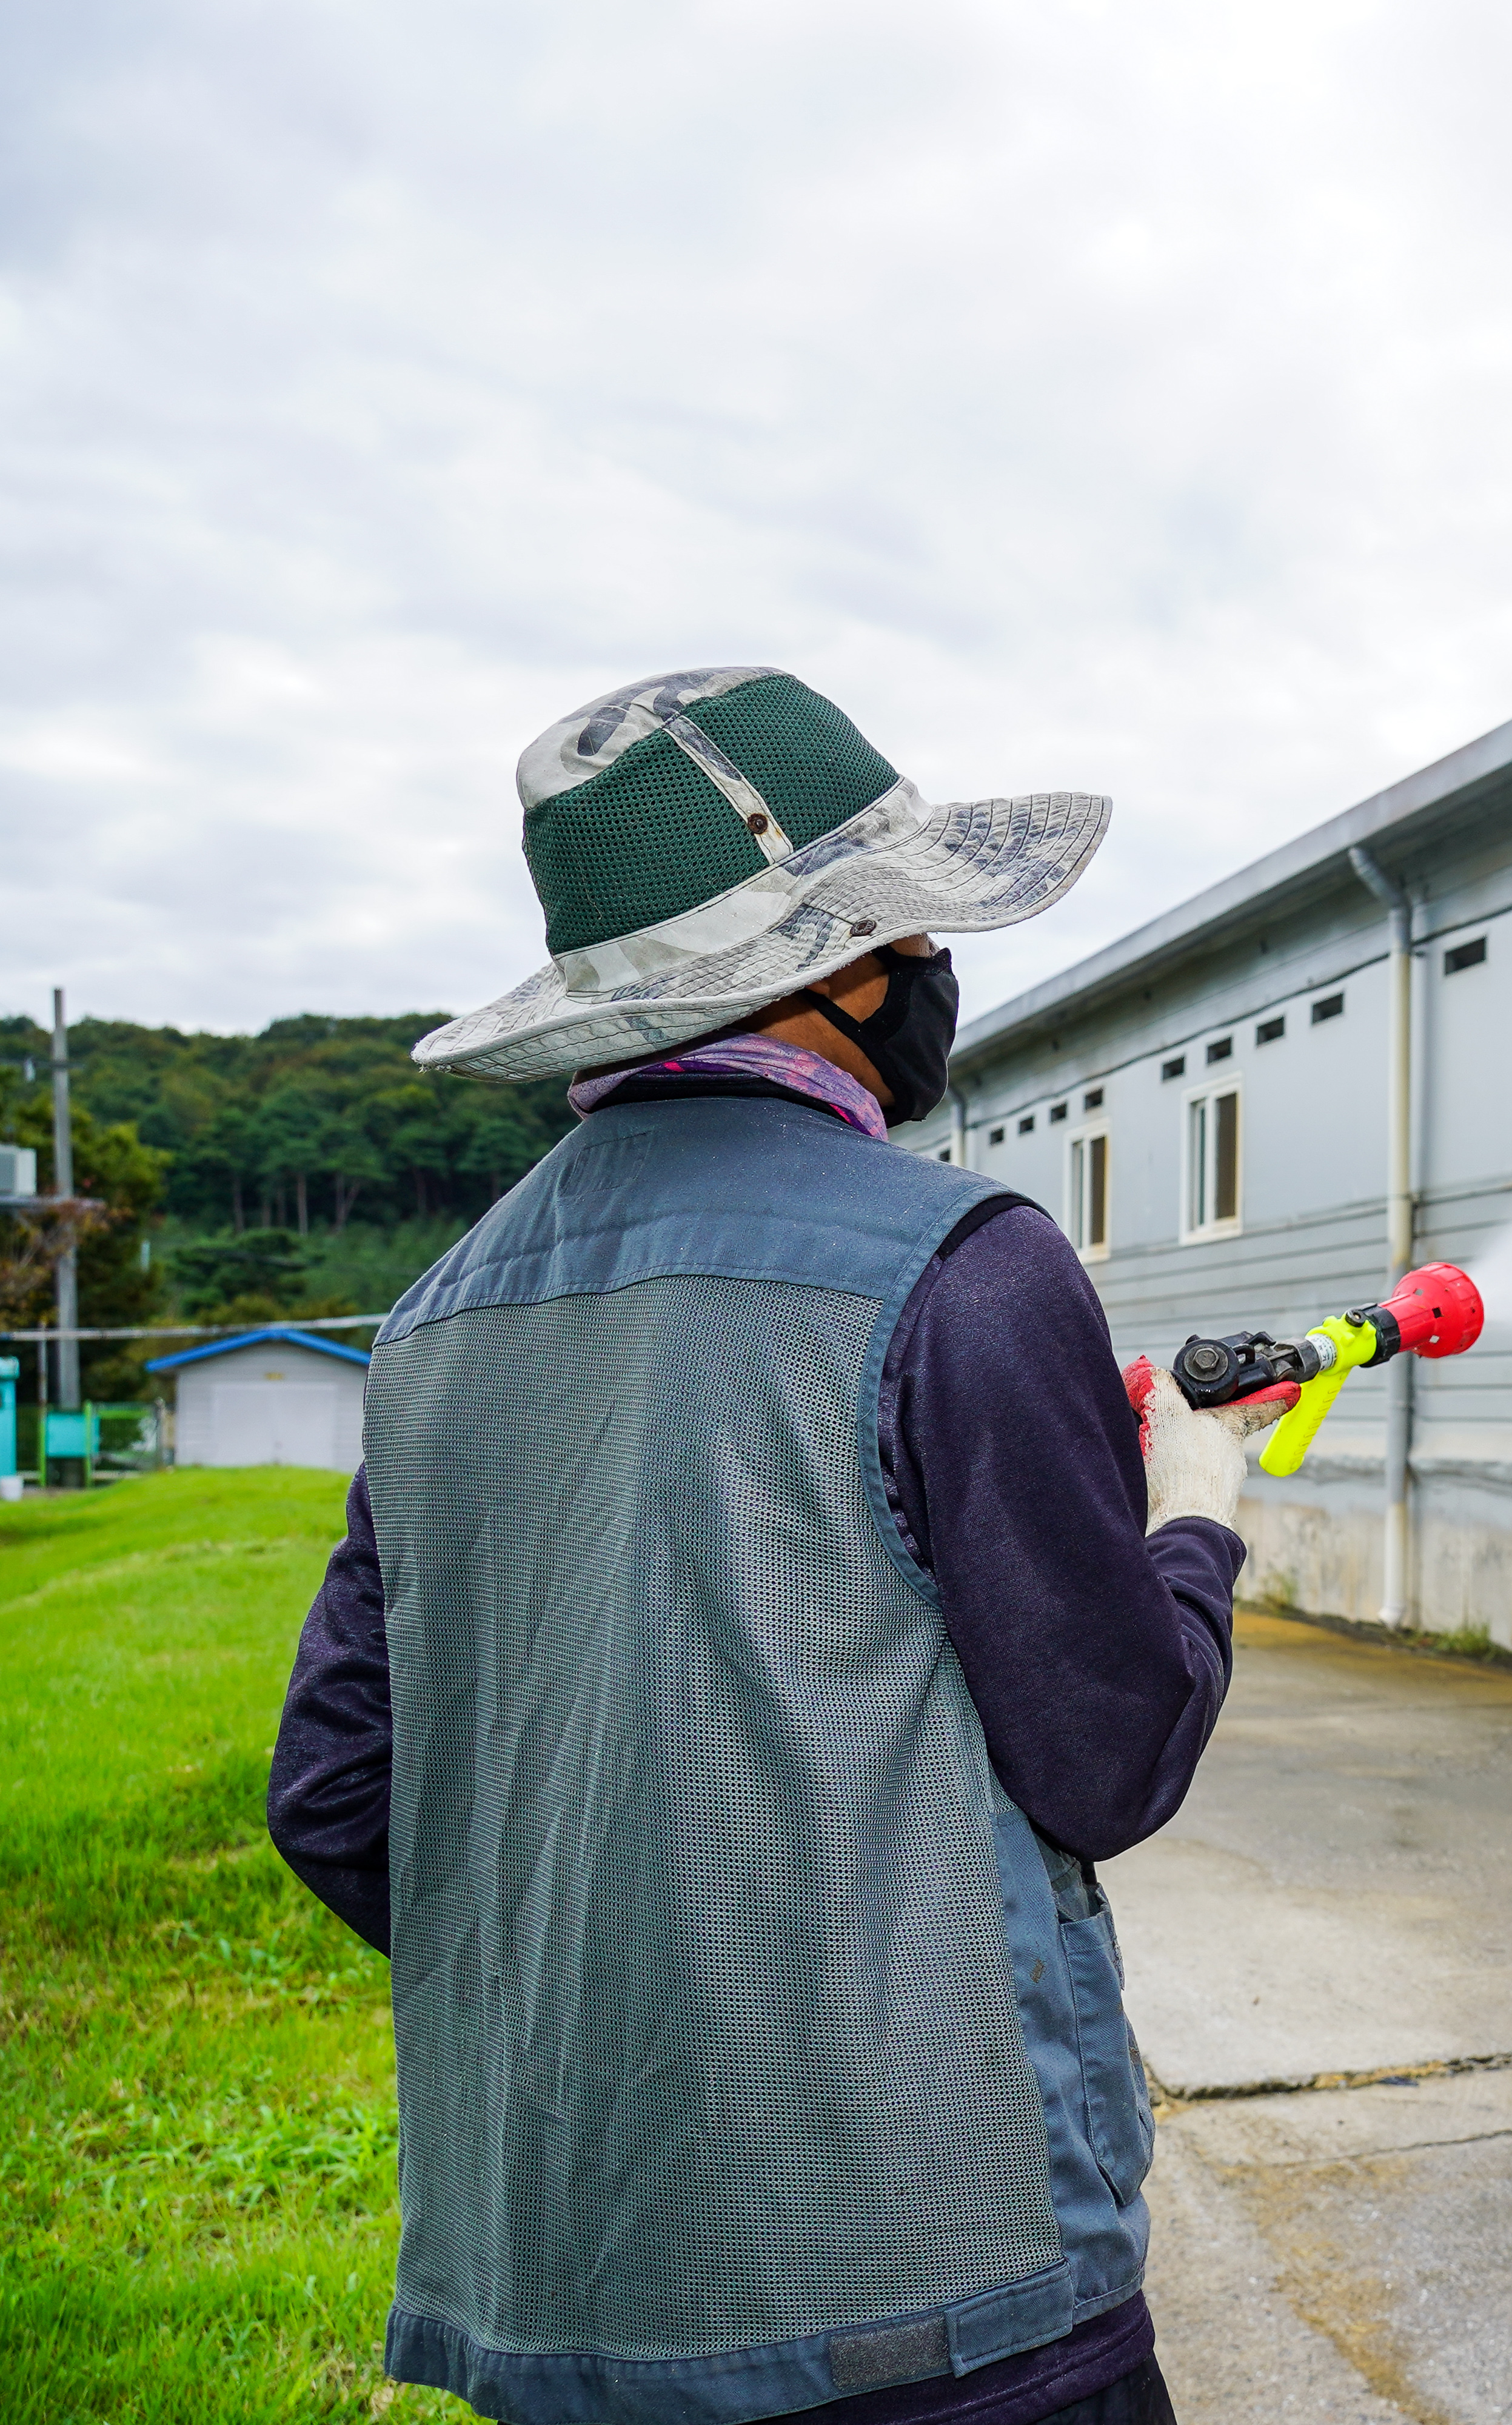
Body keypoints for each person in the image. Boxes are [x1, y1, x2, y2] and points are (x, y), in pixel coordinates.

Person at [266, 667, 1268, 2425]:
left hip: (566, 2301)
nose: (942, 971)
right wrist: (1191, 1511)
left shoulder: (433, 1325)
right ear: (854, 968)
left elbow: (340, 1797)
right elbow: (1110, 1756)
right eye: (921, 929)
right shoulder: (968, 1263)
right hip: (945, 2310)